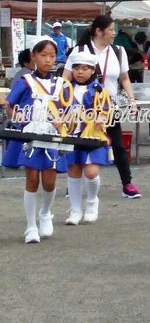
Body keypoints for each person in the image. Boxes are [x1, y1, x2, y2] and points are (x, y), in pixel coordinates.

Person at [64, 15, 141, 199]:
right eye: (111, 29)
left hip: (109, 106)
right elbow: (65, 78)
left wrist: (132, 100)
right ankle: (73, 183)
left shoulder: (118, 51)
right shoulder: (80, 50)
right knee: (78, 142)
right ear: (99, 31)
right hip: (83, 105)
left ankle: (127, 184)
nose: (114, 33)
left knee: (117, 144)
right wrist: (63, 103)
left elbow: (124, 78)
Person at [4, 40, 70, 243]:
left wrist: (63, 120)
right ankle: (30, 226)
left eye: (52, 56)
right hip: (29, 136)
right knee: (32, 180)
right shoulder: (25, 82)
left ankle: (45, 213)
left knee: (49, 182)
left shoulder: (60, 84)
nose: (48, 60)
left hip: (51, 136)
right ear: (34, 56)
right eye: (43, 55)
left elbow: (69, 109)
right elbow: (10, 106)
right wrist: (18, 117)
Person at [64, 52, 113, 225]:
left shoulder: (100, 90)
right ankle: (75, 209)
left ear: (93, 70)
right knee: (74, 171)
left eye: (85, 68)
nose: (80, 72)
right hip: (70, 134)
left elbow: (106, 109)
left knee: (91, 172)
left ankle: (92, 201)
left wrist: (101, 118)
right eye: (76, 68)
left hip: (93, 135)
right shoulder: (65, 89)